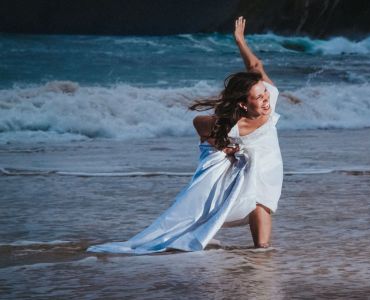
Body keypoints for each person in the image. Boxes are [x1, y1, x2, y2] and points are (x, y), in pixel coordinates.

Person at [87, 16, 282, 254]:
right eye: (259, 97)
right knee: (234, 200)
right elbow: (198, 122)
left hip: (269, 159)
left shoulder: (269, 96)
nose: (266, 100)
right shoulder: (229, 123)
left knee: (263, 201)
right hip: (241, 163)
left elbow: (255, 68)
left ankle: (261, 250)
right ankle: (206, 234)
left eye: (265, 94)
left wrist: (240, 41)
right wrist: (220, 145)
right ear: (242, 104)